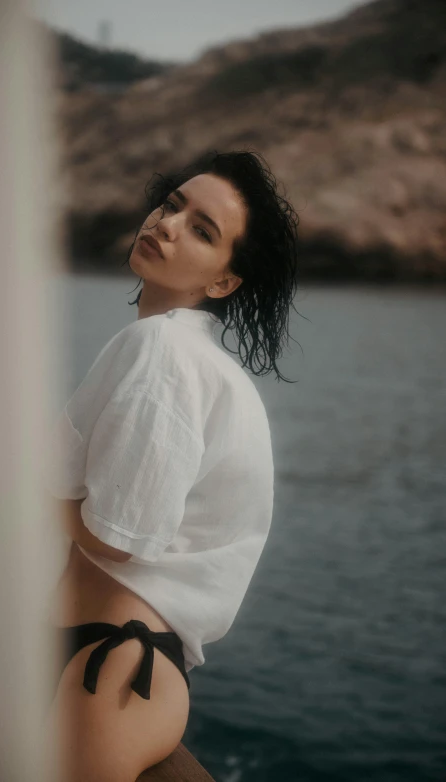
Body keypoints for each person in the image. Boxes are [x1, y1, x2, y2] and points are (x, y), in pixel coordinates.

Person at [43, 149, 299, 781]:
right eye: (172, 205)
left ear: (222, 282)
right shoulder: (199, 361)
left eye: (202, 230)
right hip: (125, 665)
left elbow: (119, 536)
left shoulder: (162, 350)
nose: (168, 224)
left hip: (108, 668)